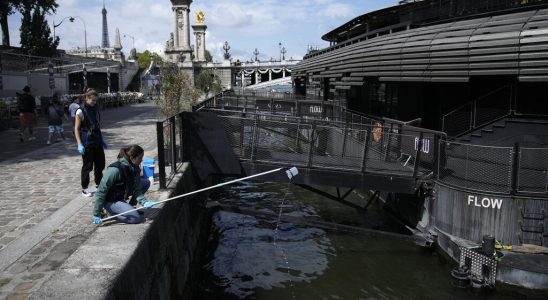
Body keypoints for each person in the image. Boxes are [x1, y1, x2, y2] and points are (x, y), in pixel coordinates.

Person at [92, 145, 158, 224]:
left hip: (122, 195)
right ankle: (111, 212)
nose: (141, 160)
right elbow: (101, 191)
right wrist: (96, 213)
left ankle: (130, 207)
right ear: (132, 158)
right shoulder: (114, 170)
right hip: (111, 200)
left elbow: (137, 189)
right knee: (136, 218)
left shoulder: (135, 168)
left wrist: (144, 202)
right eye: (140, 158)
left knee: (145, 183)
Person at [75, 88, 107, 197]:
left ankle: (99, 184)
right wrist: (79, 143)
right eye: (92, 100)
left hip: (97, 141)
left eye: (95, 100)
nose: (94, 102)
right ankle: (85, 188)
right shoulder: (80, 111)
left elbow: (97, 125)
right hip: (87, 142)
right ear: (86, 98)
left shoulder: (95, 109)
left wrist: (102, 140)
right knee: (87, 166)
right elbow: (76, 128)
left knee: (100, 164)